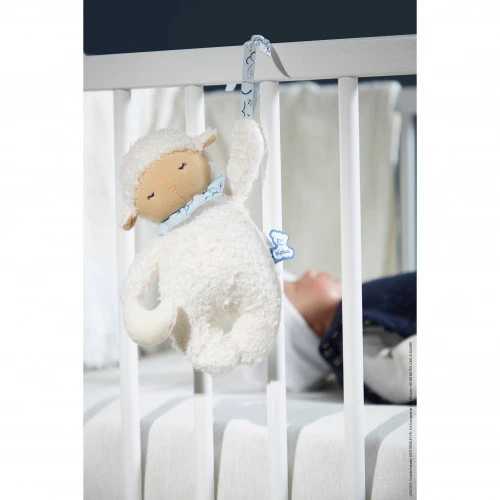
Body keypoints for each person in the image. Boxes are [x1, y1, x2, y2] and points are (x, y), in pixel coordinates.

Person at [283, 269, 417, 404]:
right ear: (311, 325)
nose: (309, 273)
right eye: (297, 286)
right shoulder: (350, 345)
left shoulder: (360, 304)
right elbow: (402, 377)